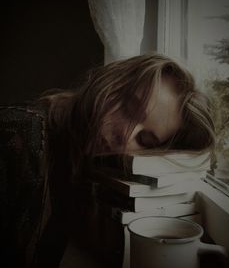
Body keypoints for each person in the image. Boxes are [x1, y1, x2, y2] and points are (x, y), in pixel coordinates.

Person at [0, 54, 215, 268]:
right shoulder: (18, 134)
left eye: (145, 139)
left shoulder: (74, 165)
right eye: (129, 107)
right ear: (113, 78)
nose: (126, 136)